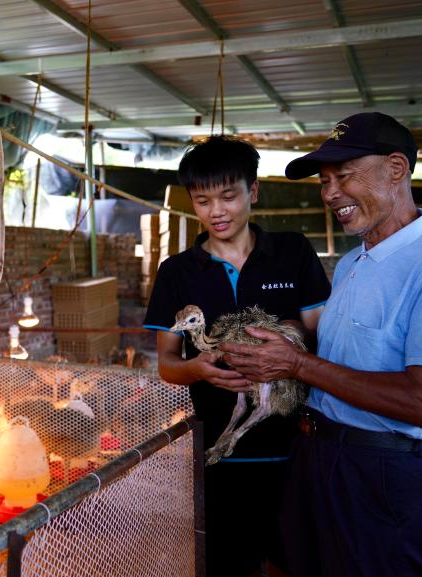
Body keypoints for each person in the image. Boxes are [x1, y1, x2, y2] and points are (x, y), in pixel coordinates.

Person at [219, 112, 422, 577]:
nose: (329, 194)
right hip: (317, 454)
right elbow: (339, 357)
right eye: (324, 182)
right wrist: (280, 342)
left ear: (396, 169)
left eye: (342, 176)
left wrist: (297, 365)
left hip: (380, 472)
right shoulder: (351, 263)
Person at [142, 136, 331, 577]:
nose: (216, 211)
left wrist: (289, 357)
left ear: (254, 191)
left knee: (296, 558)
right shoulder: (178, 273)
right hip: (219, 456)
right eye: (203, 200)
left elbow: (323, 337)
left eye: (228, 196)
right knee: (228, 561)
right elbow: (168, 362)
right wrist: (196, 368)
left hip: (297, 444)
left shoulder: (292, 252)